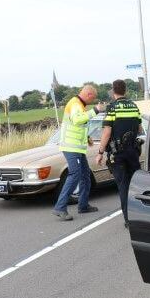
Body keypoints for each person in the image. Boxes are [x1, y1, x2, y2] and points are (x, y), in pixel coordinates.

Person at [53, 84, 104, 220]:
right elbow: (77, 120)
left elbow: (78, 125)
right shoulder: (75, 104)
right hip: (71, 147)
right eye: (92, 98)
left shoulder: (79, 105)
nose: (92, 101)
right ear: (88, 94)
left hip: (77, 147)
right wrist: (95, 110)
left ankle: (83, 205)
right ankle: (60, 207)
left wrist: (87, 137)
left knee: (85, 176)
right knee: (75, 175)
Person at [95, 79, 142, 227]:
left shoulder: (112, 108)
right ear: (125, 90)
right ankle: (142, 215)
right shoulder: (134, 106)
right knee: (136, 184)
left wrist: (100, 152)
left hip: (118, 154)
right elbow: (140, 129)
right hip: (133, 152)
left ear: (112, 91)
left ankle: (129, 220)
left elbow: (107, 132)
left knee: (123, 186)